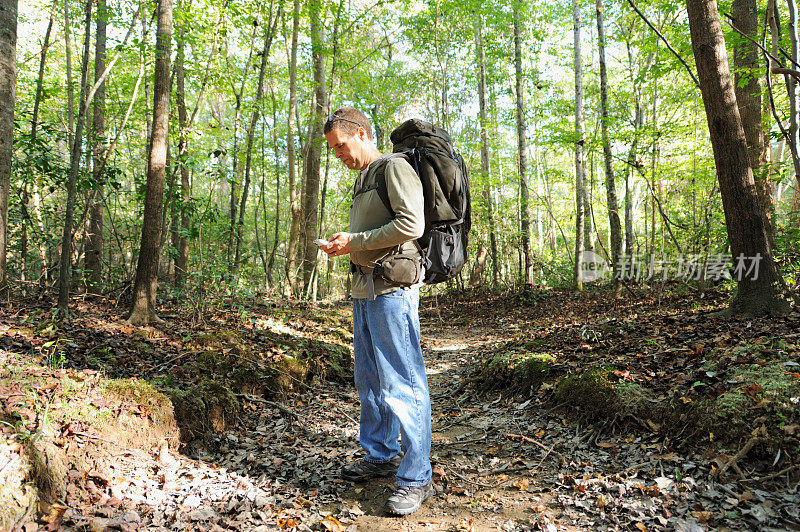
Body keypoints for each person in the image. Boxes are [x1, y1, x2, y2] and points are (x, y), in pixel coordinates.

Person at [319, 107, 434, 516]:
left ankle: (416, 476)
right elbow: (367, 236)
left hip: (392, 290)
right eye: (333, 150)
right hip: (364, 290)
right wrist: (345, 244)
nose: (338, 155)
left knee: (402, 382)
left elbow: (412, 224)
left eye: (341, 146)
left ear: (362, 133)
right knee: (370, 379)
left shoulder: (393, 167)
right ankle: (381, 453)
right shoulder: (363, 178)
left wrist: (356, 240)